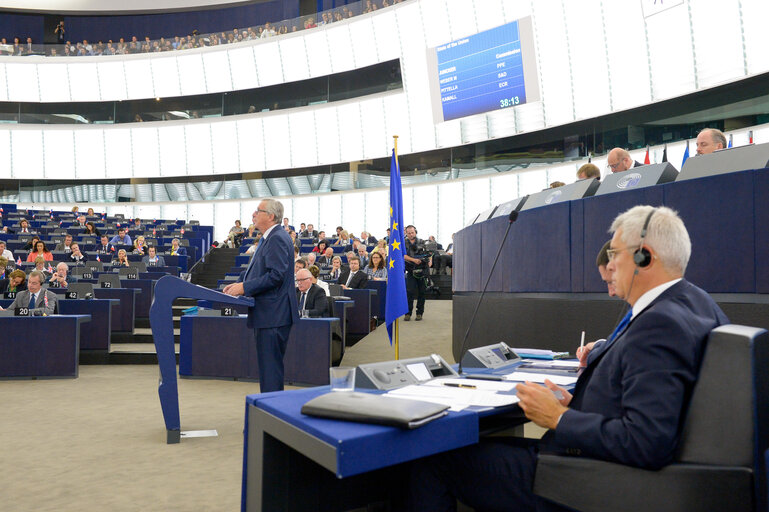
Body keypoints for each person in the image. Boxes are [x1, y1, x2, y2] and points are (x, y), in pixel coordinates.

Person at [408, 205, 729, 511]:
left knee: (431, 459)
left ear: (645, 257)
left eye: (615, 254)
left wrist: (558, 418)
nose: (609, 264)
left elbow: (647, 442)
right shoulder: (697, 304)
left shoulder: (660, 324)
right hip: (607, 468)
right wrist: (574, 405)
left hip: (589, 480)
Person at [223, 199, 299, 393]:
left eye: (258, 211)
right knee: (268, 369)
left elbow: (276, 276)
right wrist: (240, 284)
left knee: (271, 371)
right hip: (269, 314)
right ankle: (269, 414)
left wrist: (244, 288)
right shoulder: (269, 238)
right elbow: (261, 272)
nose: (253, 215)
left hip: (274, 315)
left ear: (271, 216)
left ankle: (271, 417)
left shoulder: (277, 238)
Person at [403, 225, 429, 321]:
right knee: (409, 292)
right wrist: (414, 260)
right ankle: (408, 313)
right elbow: (403, 255)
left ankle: (419, 313)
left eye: (412, 232)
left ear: (416, 232)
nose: (410, 234)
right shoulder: (403, 242)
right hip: (410, 270)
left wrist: (427, 260)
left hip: (422, 269)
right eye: (408, 233)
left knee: (422, 292)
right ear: (406, 233)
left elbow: (427, 254)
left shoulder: (422, 242)